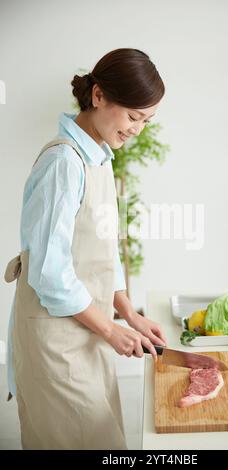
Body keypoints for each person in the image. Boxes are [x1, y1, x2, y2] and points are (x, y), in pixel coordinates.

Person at [4, 48, 167, 450]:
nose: (137, 130)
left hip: (85, 330)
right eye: (133, 116)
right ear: (98, 97)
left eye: (147, 121)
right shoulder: (63, 162)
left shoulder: (99, 157)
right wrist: (111, 328)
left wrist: (128, 312)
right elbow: (49, 274)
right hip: (55, 340)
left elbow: (101, 248)